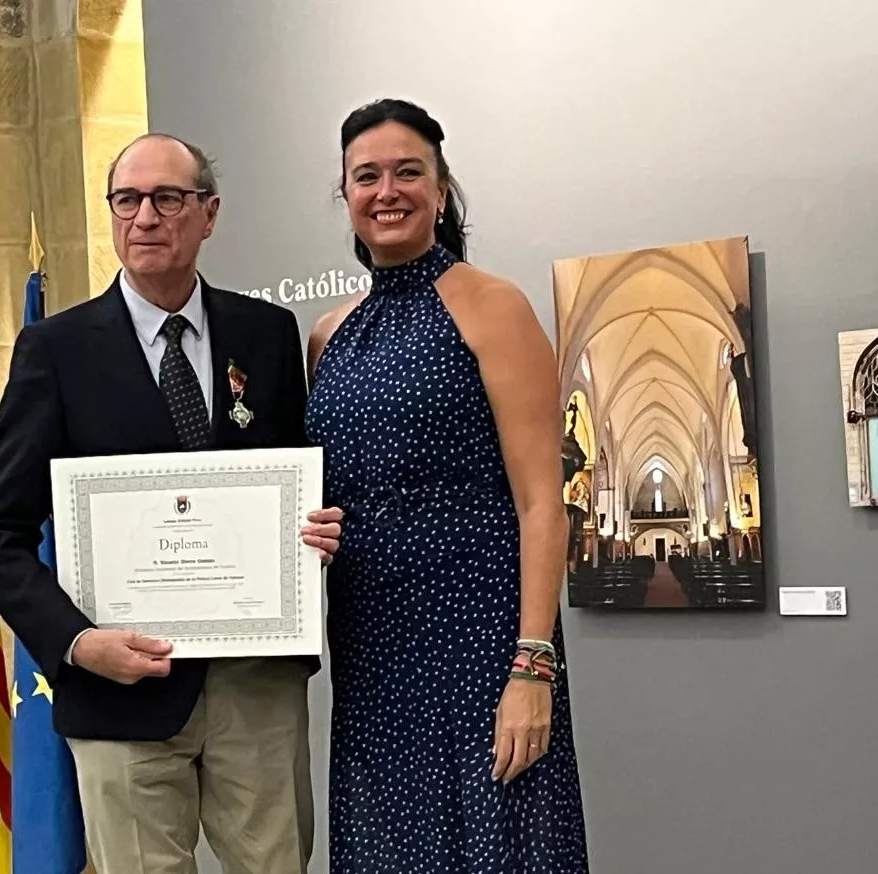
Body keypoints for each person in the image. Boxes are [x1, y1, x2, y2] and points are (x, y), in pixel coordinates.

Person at [0, 132, 342, 874]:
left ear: (209, 214)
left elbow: (293, 487)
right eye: (127, 200)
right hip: (119, 688)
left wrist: (315, 527)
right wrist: (78, 643)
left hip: (254, 686)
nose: (145, 217)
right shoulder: (55, 350)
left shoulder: (267, 335)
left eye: (168, 198)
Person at [305, 98, 590, 872]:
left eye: (408, 172)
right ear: (345, 193)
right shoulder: (328, 336)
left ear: (440, 188)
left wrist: (532, 668)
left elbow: (543, 503)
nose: (387, 191)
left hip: (483, 641)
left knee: (501, 845)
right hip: (372, 651)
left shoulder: (493, 308)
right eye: (367, 176)